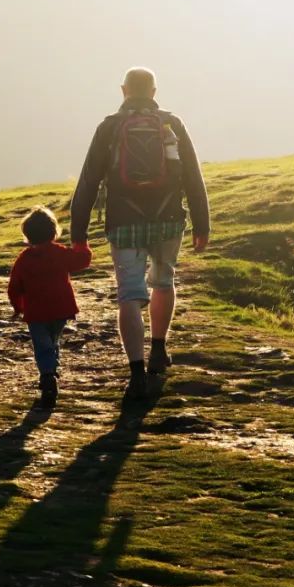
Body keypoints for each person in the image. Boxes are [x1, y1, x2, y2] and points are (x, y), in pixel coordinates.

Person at [70, 67, 210, 399]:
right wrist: (202, 224)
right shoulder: (171, 124)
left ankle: (136, 371)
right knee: (164, 281)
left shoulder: (110, 127)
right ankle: (159, 349)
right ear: (154, 90)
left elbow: (89, 179)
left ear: (124, 90)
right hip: (169, 219)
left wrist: (79, 232)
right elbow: (193, 174)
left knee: (129, 295)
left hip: (123, 220)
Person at [8, 207, 92, 409]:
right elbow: (83, 260)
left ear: (27, 235)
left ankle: (48, 376)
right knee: (53, 340)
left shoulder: (24, 259)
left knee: (43, 345)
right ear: (54, 232)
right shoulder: (60, 253)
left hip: (36, 311)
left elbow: (14, 287)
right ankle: (52, 371)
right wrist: (82, 244)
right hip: (61, 308)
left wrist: (18, 307)